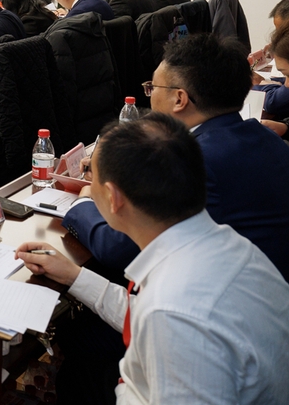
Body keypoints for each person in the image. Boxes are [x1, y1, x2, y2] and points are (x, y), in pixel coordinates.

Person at [17, 114, 289, 405]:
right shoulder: (232, 248)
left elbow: (164, 319)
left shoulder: (172, 312)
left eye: (91, 176)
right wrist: (74, 276)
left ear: (113, 198)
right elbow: (145, 313)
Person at [62, 34, 289, 281]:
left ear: (179, 99)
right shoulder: (264, 137)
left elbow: (117, 248)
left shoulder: (197, 163)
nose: (149, 97)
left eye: (152, 88)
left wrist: (83, 203)